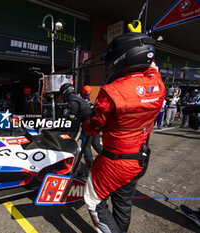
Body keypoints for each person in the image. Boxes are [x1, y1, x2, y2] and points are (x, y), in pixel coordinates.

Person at [61, 32, 165, 232]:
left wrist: (82, 110)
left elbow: (92, 127)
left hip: (116, 162)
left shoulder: (112, 91)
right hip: (140, 158)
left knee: (92, 200)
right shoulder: (157, 83)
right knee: (123, 203)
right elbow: (152, 65)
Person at [81, 85, 103, 168]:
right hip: (95, 124)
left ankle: (90, 165)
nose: (87, 95)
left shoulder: (84, 101)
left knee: (86, 146)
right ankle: (107, 158)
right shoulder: (90, 101)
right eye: (86, 94)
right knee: (96, 144)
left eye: (88, 94)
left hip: (89, 125)